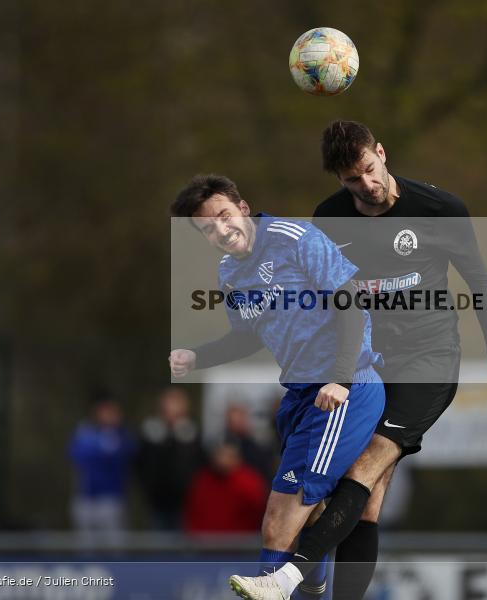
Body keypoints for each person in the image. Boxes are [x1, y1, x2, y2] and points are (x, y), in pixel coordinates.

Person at [251, 120, 487, 600]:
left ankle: (290, 574)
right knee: (367, 501)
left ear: (381, 153)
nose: (367, 185)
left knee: (365, 465)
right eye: (352, 180)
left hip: (429, 360)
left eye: (370, 170)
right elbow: (325, 299)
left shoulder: (440, 209)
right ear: (338, 181)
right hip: (368, 366)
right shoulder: (329, 218)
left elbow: (480, 280)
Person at [167, 173, 385, 600]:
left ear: (243, 208)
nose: (221, 230)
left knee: (281, 512)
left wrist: (340, 378)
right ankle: (312, 582)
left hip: (344, 389)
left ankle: (276, 587)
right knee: (308, 510)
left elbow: (349, 300)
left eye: (225, 216)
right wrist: (198, 356)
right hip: (303, 396)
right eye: (208, 229)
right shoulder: (230, 273)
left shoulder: (292, 236)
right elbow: (248, 335)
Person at [69, 390, 135, 546]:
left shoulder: (123, 436)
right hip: (85, 497)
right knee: (86, 548)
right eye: (104, 411)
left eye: (112, 411)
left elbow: (122, 457)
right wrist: (101, 450)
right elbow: (78, 455)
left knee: (115, 548)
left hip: (112, 499)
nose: (108, 415)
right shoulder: (85, 432)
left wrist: (101, 450)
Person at [135, 386, 204, 530]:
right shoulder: (151, 433)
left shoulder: (192, 434)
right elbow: (141, 465)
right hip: (157, 501)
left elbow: (198, 466)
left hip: (186, 502)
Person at [182, 442, 267, 533]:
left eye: (228, 456)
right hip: (205, 541)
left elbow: (258, 511)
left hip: (240, 542)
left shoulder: (249, 482)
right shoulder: (202, 481)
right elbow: (192, 511)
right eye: (220, 455)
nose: (222, 460)